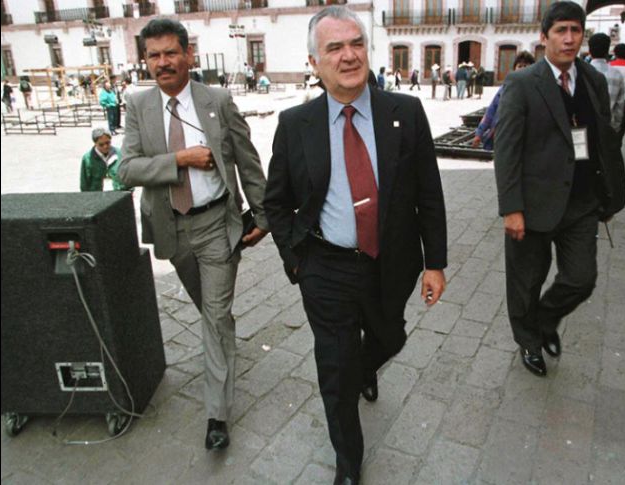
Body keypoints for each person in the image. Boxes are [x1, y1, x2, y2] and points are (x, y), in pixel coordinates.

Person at [263, 6, 447, 484]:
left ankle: (367, 368)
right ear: (314, 63)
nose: (349, 56)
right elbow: (276, 202)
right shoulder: (295, 123)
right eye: (334, 48)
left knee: (392, 338)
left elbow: (429, 191)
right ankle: (349, 463)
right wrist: (295, 258)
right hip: (325, 267)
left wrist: (436, 263)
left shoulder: (404, 113)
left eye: (356, 43)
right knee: (336, 372)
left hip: (391, 262)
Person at [118, 18, 269, 451]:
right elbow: (126, 169)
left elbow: (247, 159)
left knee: (215, 315)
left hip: (216, 225)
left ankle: (216, 415)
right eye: (154, 55)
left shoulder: (217, 100)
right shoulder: (137, 105)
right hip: (172, 229)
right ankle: (223, 342)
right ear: (144, 60)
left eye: (170, 53)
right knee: (211, 311)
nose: (163, 63)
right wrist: (180, 159)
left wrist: (263, 215)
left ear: (188, 55)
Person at [494, 1, 625, 378]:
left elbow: (601, 140)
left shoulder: (593, 80)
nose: (569, 39)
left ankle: (545, 319)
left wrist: (609, 192)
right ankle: (529, 341)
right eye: (561, 31)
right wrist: (511, 208)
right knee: (525, 283)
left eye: (575, 31)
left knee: (582, 278)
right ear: (544, 36)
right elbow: (506, 151)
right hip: (533, 206)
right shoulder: (522, 83)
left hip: (581, 203)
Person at [472, 51, 535, 150]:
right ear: (514, 68)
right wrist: (479, 133)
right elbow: (491, 110)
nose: (523, 69)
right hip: (503, 136)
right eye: (520, 66)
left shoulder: (536, 91)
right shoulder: (505, 88)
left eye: (526, 66)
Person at [588, 33, 625, 134]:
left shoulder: (581, 72)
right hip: (606, 128)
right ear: (607, 51)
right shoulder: (617, 75)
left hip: (584, 128)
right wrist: (615, 128)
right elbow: (619, 107)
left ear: (589, 51)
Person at [80, 127, 129, 192]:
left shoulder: (120, 154)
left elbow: (128, 176)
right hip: (97, 195)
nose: (105, 146)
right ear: (95, 143)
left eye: (107, 143)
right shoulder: (87, 159)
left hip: (118, 193)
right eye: (101, 144)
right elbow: (84, 183)